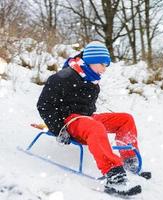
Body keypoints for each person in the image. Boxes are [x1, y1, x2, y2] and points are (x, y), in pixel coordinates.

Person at [37, 41, 141, 195]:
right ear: (91, 61)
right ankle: (114, 175)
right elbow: (44, 105)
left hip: (87, 119)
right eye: (103, 64)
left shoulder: (92, 80)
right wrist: (59, 129)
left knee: (126, 119)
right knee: (95, 127)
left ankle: (129, 162)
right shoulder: (63, 78)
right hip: (70, 121)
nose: (105, 69)